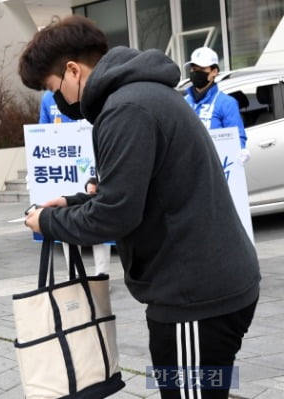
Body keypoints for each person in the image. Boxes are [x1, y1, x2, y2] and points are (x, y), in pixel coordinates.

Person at [19, 15, 260, 398]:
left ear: (72, 70)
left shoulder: (124, 109)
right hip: (213, 286)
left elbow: (115, 215)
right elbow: (137, 192)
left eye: (53, 88)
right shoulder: (146, 93)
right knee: (206, 387)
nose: (58, 101)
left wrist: (48, 221)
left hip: (193, 299)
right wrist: (73, 201)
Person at [184, 47, 250, 164]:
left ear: (214, 72)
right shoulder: (184, 102)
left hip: (217, 166)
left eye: (202, 69)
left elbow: (237, 136)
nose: (196, 72)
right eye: (194, 69)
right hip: (190, 167)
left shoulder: (226, 103)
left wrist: (240, 151)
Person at [84, 177, 111, 276]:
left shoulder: (107, 202)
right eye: (90, 193)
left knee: (102, 237)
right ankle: (75, 274)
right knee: (67, 237)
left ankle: (101, 276)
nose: (92, 196)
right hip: (84, 229)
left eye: (95, 193)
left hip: (100, 229)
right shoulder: (81, 201)